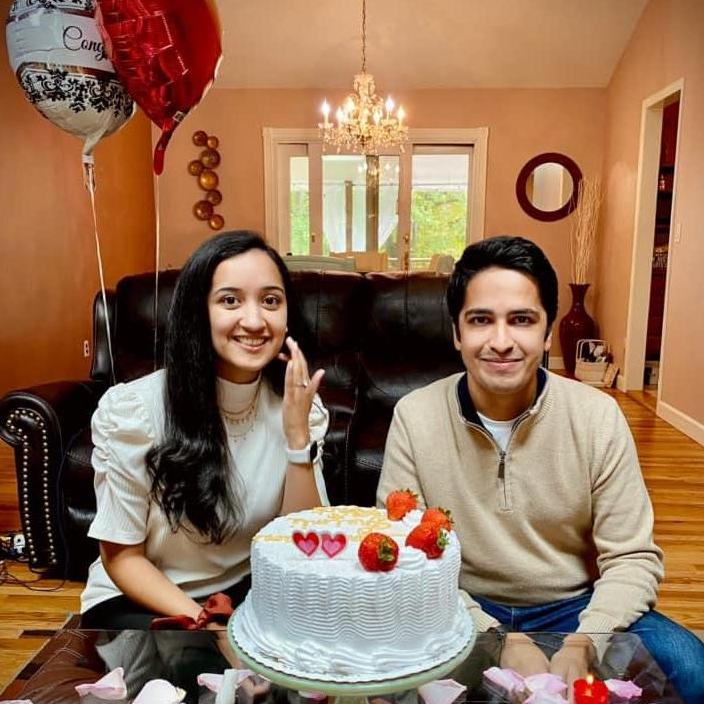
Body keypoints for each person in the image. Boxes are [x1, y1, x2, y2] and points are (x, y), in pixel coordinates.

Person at [377, 236, 704, 702]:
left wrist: (585, 641)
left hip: (574, 608)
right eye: (480, 320)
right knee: (373, 674)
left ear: (547, 331)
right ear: (457, 332)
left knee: (691, 668)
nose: (501, 341)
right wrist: (497, 638)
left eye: (522, 320)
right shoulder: (415, 415)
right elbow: (406, 557)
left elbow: (633, 557)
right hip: (456, 604)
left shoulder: (597, 415)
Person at [80, 230, 329, 629]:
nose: (254, 320)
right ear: (199, 311)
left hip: (244, 596)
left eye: (271, 301)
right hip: (141, 601)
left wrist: (297, 440)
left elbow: (302, 543)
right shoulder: (134, 411)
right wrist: (208, 626)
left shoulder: (297, 406)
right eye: (230, 300)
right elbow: (123, 558)